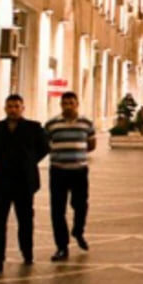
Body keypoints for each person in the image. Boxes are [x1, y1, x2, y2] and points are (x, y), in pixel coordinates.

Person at [0, 95, 49, 276]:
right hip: (1, 182)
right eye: (10, 106)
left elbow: (43, 148)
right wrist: (4, 162)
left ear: (23, 108)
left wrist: (28, 162)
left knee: (25, 220)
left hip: (24, 182)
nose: (13, 109)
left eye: (16, 106)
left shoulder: (33, 128)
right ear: (5, 108)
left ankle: (27, 252)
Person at [45, 91, 96, 262]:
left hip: (79, 171)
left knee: (80, 205)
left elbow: (91, 144)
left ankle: (78, 230)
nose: (68, 106)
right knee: (57, 210)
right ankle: (61, 246)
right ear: (61, 105)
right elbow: (46, 144)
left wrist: (77, 153)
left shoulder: (86, 123)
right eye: (65, 103)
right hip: (58, 171)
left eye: (71, 103)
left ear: (77, 104)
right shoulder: (52, 124)